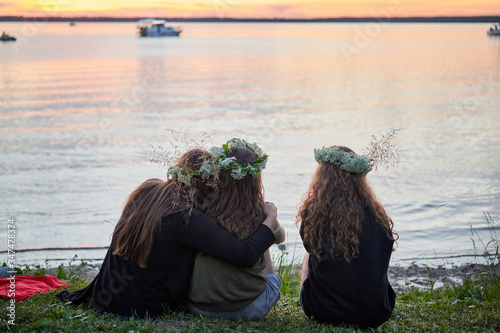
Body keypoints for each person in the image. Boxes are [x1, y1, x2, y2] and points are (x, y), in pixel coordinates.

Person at [56, 148, 278, 318]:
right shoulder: (188, 219)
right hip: (143, 306)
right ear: (209, 182)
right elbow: (244, 254)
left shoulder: (148, 189)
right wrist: (269, 219)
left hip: (107, 297)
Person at [296, 145, 398, 329]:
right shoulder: (378, 216)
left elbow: (309, 246)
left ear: (322, 178)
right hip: (375, 312)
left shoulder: (313, 215)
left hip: (322, 311)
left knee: (309, 255)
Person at [185, 139, 285, 320]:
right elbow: (280, 237)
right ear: (255, 180)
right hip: (247, 309)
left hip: (199, 307)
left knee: (262, 233)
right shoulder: (259, 212)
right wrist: (269, 216)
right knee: (265, 235)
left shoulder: (203, 209)